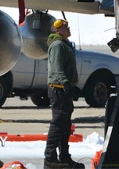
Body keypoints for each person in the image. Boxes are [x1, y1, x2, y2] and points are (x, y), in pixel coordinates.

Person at [44, 19, 84, 169]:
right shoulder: (57, 45)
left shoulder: (64, 44)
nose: (68, 28)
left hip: (63, 89)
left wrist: (72, 86)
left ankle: (64, 157)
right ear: (57, 31)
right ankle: (50, 158)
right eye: (65, 27)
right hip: (58, 89)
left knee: (65, 125)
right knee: (58, 123)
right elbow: (56, 67)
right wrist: (66, 84)